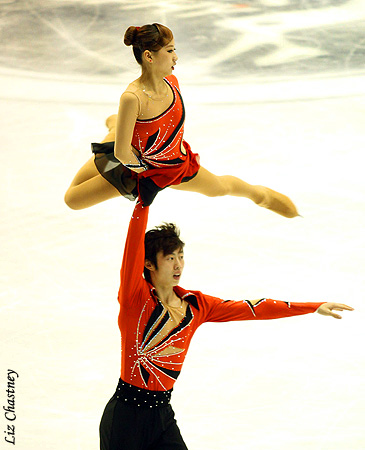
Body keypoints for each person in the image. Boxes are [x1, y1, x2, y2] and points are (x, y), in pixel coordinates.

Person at [99, 199, 353, 450]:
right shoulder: (136, 298)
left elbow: (253, 308)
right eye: (170, 258)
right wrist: (143, 202)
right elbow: (132, 249)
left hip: (163, 415)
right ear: (149, 263)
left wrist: (312, 306)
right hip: (126, 418)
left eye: (181, 256)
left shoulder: (196, 306)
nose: (178, 265)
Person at [64, 23, 299, 218]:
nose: (176, 56)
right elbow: (123, 154)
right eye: (169, 51)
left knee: (218, 187)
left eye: (174, 49)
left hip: (176, 165)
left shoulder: (172, 82)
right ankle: (116, 130)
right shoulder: (131, 98)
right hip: (136, 168)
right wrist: (147, 177)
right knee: (73, 199)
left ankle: (259, 195)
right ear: (149, 56)